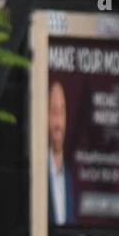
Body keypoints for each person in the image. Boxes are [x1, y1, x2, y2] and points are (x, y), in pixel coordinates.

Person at [47, 80, 74, 226]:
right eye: (53, 112)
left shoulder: (69, 176)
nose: (58, 123)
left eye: (62, 112)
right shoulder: (38, 173)